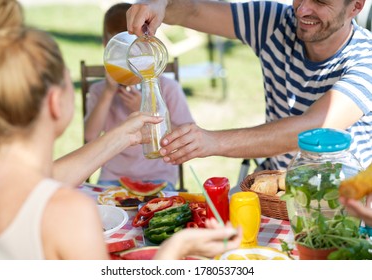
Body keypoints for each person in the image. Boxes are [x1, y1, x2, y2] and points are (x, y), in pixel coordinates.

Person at [0, 0, 241, 260]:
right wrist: (175, 249)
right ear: (54, 102)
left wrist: (122, 135)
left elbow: (50, 179)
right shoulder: (70, 213)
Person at [126, 0, 372, 173]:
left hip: (345, 200)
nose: (302, 8)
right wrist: (159, 3)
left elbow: (312, 128)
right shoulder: (274, 22)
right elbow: (192, 11)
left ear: (356, 6)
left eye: (320, 1)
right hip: (276, 185)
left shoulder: (366, 59)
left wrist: (212, 141)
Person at [84, 2, 194, 190]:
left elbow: (187, 134)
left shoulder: (168, 88)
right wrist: (108, 93)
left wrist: (143, 110)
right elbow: (90, 136)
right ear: (106, 46)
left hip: (159, 177)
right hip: (113, 177)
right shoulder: (99, 91)